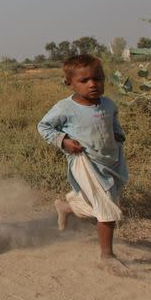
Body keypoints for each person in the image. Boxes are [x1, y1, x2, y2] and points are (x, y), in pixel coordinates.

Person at [37, 54, 130, 274]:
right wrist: (64, 141)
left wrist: (118, 134)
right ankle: (107, 256)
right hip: (85, 162)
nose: (93, 84)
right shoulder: (65, 108)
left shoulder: (108, 104)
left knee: (94, 207)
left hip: (111, 162)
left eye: (98, 79)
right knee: (106, 207)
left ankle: (67, 207)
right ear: (69, 83)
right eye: (84, 80)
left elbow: (113, 120)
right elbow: (44, 127)